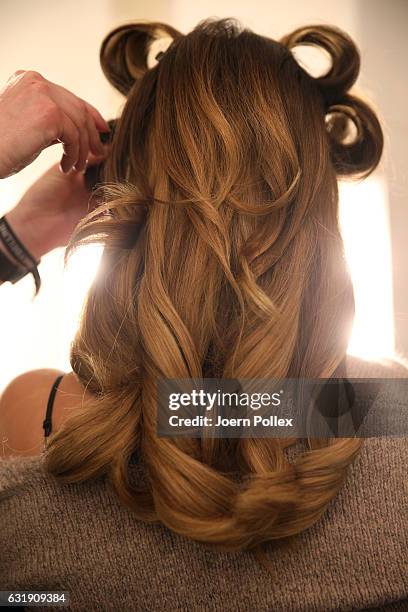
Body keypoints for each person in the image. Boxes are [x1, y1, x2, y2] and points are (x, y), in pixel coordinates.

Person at [0, 17, 407, 612]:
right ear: (315, 197)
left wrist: (16, 239)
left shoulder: (33, 419)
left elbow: (183, 409)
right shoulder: (392, 413)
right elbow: (225, 408)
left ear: (123, 193)